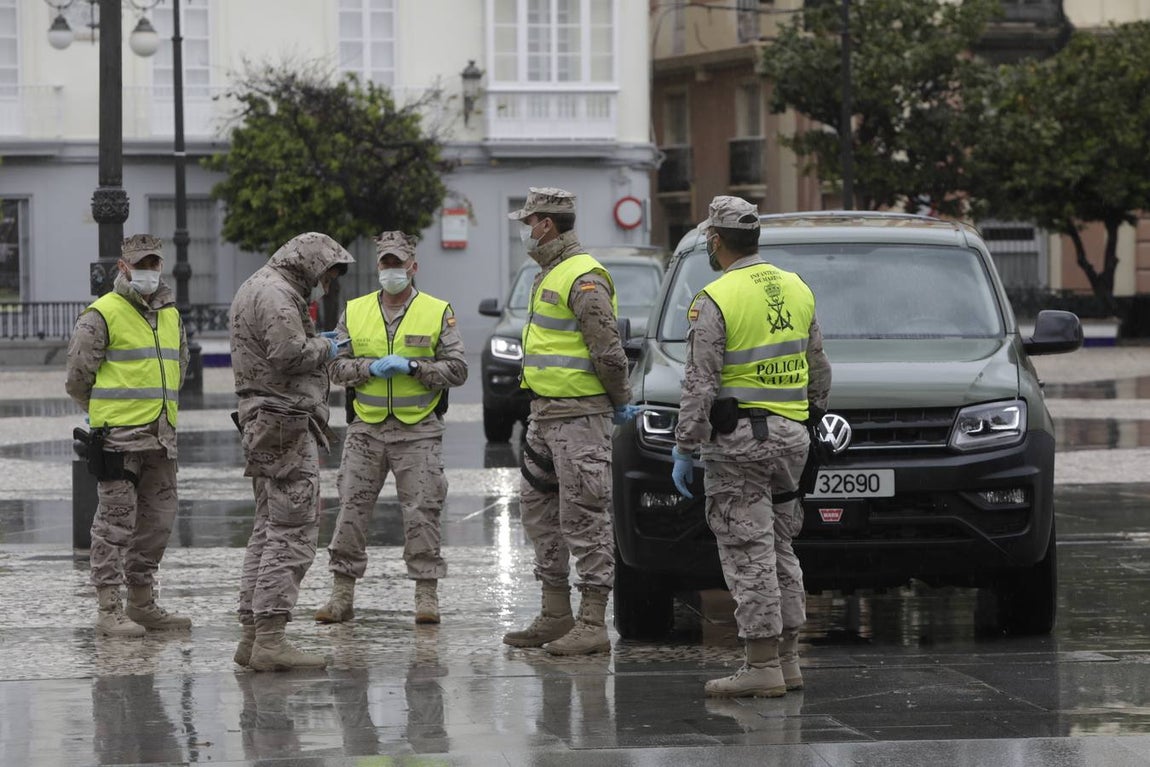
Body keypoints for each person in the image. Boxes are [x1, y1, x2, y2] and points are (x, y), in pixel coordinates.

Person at [671, 195, 831, 697]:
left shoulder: (716, 297)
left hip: (740, 443)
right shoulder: (796, 287)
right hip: (791, 438)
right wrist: (810, 419)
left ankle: (761, 665)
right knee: (782, 547)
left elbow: (700, 382)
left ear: (716, 241)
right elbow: (819, 370)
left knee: (748, 549)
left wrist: (685, 446)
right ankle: (786, 660)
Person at [501, 187, 642, 656]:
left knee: (584, 516)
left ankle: (592, 621)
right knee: (539, 513)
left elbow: (607, 350)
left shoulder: (583, 276)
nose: (526, 232)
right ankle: (555, 612)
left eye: (530, 223)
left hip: (581, 417)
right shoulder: (552, 272)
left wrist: (619, 400)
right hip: (545, 414)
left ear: (547, 223)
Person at [315, 231, 468, 625]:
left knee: (422, 512)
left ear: (413, 267)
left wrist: (416, 367)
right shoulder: (356, 309)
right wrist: (368, 368)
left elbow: (458, 369)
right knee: (350, 510)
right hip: (367, 428)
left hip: (418, 431)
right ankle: (341, 594)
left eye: (399, 263)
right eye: (386, 262)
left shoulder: (437, 311)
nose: (391, 270)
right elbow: (335, 366)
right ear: (377, 265)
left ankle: (426, 595)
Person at [229, 231, 354, 671]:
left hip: (267, 420)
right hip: (283, 422)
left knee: (267, 529)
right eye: (325, 275)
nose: (326, 285)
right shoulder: (277, 293)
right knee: (292, 532)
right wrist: (329, 345)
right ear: (309, 264)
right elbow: (288, 352)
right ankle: (270, 639)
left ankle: (252, 636)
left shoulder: (257, 285)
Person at [66, 234, 191, 638]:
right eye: (141, 264)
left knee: (157, 524)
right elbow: (77, 378)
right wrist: (107, 412)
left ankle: (142, 602)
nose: (149, 271)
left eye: (154, 263)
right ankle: (108, 608)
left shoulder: (171, 314)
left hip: (162, 436)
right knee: (115, 526)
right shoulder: (101, 314)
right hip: (119, 439)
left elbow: (179, 366)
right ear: (123, 267)